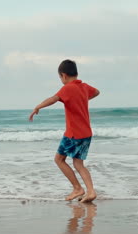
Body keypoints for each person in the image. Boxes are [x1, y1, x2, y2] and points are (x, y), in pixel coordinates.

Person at [29, 59, 100, 202]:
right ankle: (90, 191)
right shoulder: (84, 87)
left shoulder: (68, 88)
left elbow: (53, 99)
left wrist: (38, 107)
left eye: (60, 78)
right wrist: (83, 99)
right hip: (86, 133)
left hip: (73, 133)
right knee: (79, 164)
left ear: (63, 75)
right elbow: (97, 92)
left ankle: (77, 188)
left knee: (59, 159)